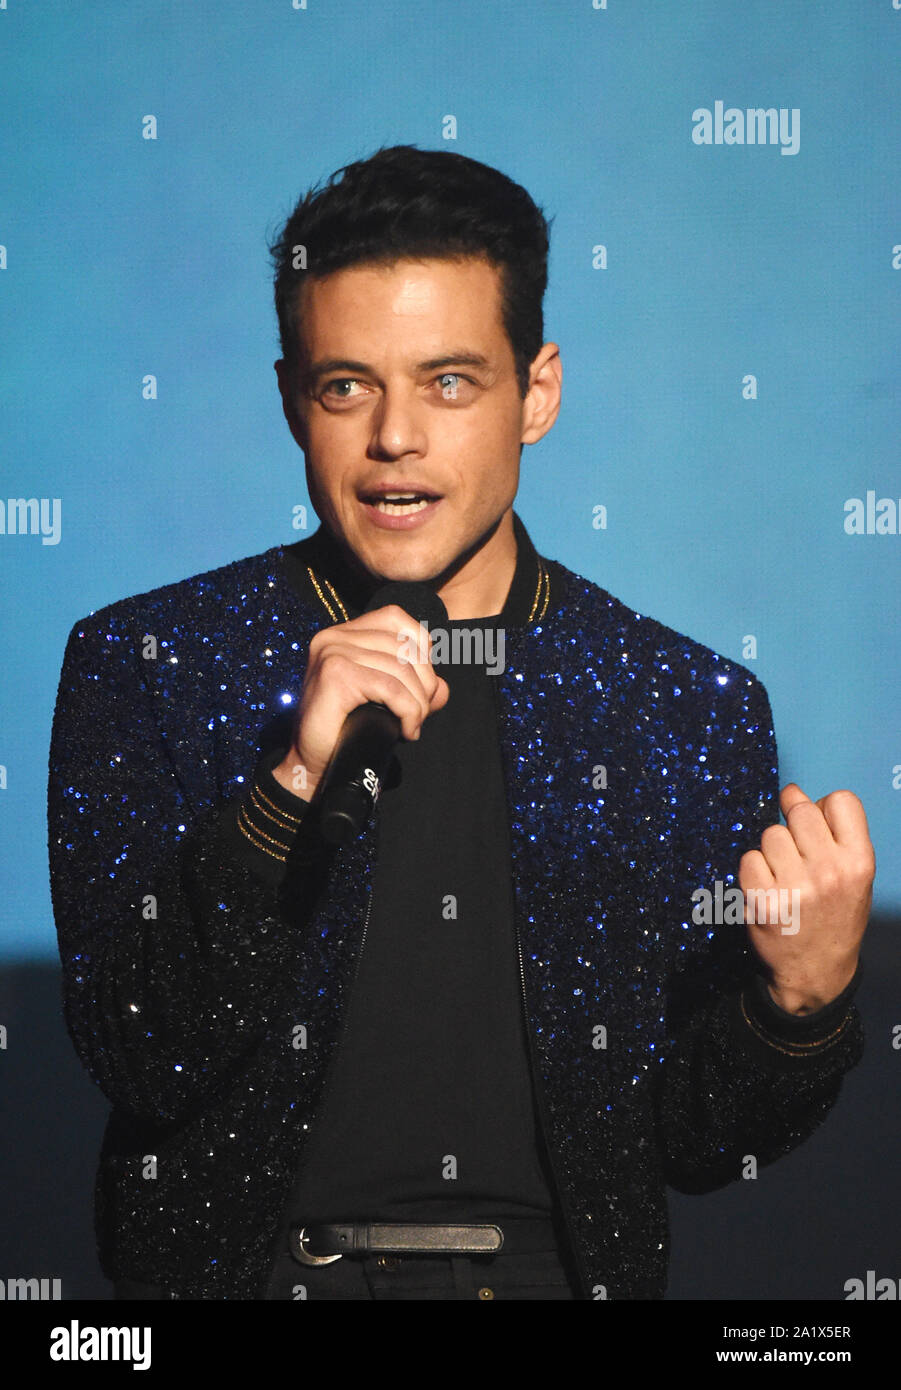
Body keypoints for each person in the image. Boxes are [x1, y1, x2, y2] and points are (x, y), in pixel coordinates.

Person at [48, 145, 874, 1301]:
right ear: (292, 398)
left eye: (448, 382)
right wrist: (289, 787)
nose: (394, 438)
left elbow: (691, 1143)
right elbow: (141, 1047)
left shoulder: (679, 702)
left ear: (536, 393)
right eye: (347, 385)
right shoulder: (152, 663)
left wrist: (802, 1004)